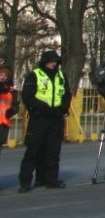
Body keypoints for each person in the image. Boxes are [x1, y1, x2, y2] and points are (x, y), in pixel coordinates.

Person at [18, 49, 70, 192]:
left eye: (56, 61)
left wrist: (63, 109)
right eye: (52, 61)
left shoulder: (61, 75)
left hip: (56, 118)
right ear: (45, 62)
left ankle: (50, 179)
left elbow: (67, 94)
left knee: (53, 151)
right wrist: (42, 107)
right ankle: (25, 182)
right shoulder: (34, 75)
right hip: (40, 118)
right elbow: (28, 96)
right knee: (33, 150)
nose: (54, 63)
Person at [0, 59, 19, 178]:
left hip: (3, 124)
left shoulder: (12, 91)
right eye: (1, 74)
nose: (2, 77)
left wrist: (12, 111)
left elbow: (16, 105)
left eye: (5, 75)